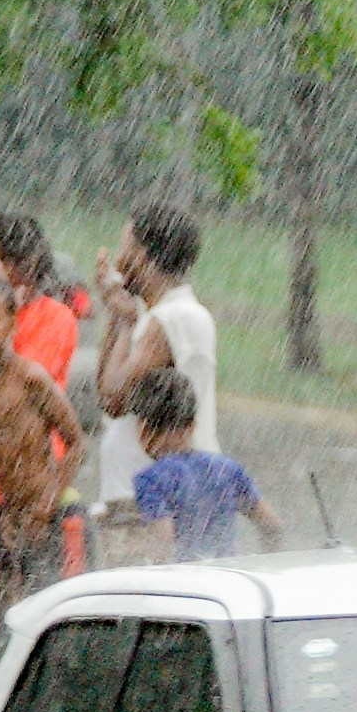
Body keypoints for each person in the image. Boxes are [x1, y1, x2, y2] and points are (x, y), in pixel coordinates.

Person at [0, 275, 84, 668]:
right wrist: (9, 511)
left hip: (41, 516)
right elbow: (3, 456)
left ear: (12, 323)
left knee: (40, 620)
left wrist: (48, 502)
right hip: (10, 516)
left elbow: (75, 442)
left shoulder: (30, 377)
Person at [0, 211, 94, 584]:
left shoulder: (35, 360)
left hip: (44, 502)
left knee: (50, 607)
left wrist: (44, 506)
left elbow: (75, 441)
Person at [91, 199, 217, 514]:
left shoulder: (169, 319)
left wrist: (125, 321)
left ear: (142, 258)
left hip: (153, 502)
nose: (118, 263)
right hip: (151, 494)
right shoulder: (161, 315)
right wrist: (119, 314)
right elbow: (106, 390)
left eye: (124, 249)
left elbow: (114, 398)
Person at [127, 367, 279, 560]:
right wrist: (262, 563)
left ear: (143, 429)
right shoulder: (227, 469)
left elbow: (163, 545)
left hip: (187, 584)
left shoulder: (150, 480)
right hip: (225, 577)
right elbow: (272, 526)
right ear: (192, 426)